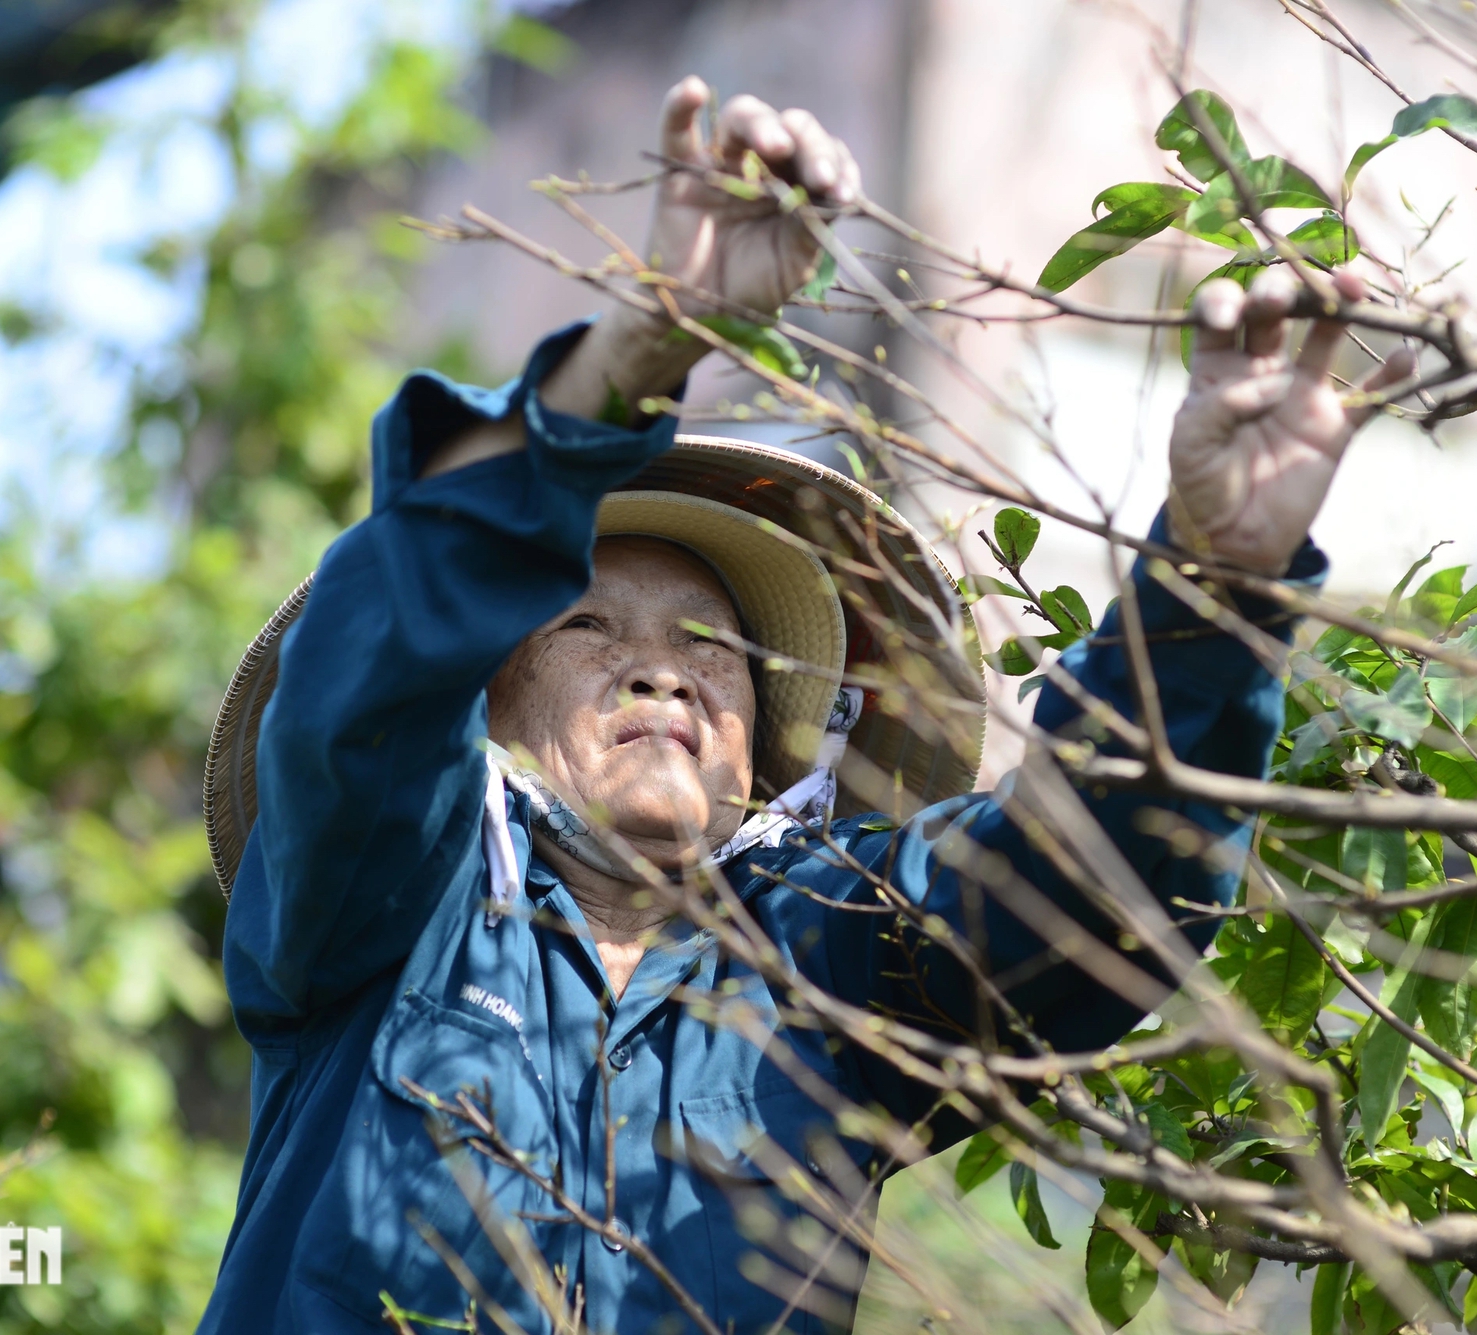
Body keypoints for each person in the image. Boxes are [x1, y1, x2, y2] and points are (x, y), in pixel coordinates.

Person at [194, 77, 1411, 1335]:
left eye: (710, 647)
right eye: (584, 626)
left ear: (767, 753)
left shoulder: (831, 965)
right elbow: (375, 666)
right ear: (487, 705)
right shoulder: (382, 910)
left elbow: (1080, 880)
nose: (661, 673)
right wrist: (644, 345)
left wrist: (1210, 579)